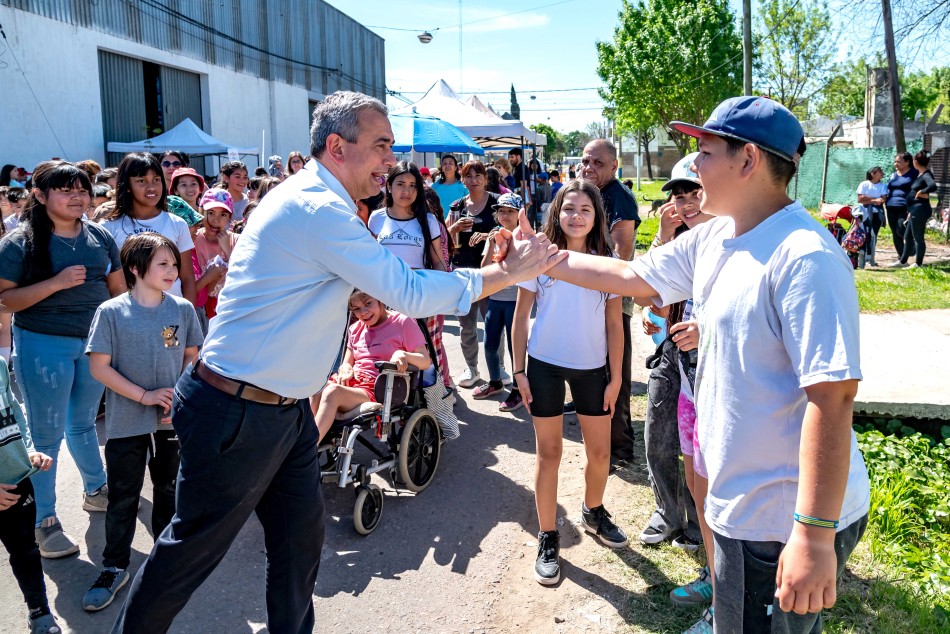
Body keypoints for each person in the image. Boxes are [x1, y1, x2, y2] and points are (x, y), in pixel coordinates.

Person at [110, 90, 562, 633]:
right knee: (188, 556)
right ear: (337, 147)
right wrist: (507, 273)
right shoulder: (318, 209)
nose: (391, 159)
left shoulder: (323, 203)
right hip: (238, 411)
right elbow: (407, 290)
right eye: (381, 145)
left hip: (281, 411)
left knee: (298, 546)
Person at [547, 96, 870, 632]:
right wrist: (542, 260)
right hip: (743, 502)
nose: (694, 166)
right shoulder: (720, 234)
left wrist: (813, 535)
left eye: (705, 152)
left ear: (748, 159)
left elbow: (832, 398)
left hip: (780, 517)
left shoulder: (804, 256)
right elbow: (633, 277)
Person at [0, 161, 126, 560]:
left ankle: (96, 488)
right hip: (42, 346)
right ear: (40, 195)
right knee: (46, 435)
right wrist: (55, 283)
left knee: (84, 423)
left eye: (83, 190)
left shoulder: (100, 236)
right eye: (66, 190)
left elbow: (118, 292)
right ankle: (44, 520)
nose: (78, 197)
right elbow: (4, 300)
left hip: (92, 346)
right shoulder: (19, 243)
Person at [513, 179, 627, 586]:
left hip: (593, 370)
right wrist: (519, 371)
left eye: (585, 209)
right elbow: (521, 317)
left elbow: (615, 325)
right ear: (556, 212)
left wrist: (616, 377)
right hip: (543, 366)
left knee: (600, 453)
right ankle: (548, 535)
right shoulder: (539, 255)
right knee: (549, 454)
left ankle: (593, 510)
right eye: (569, 208)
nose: (576, 216)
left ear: (596, 217)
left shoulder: (607, 261)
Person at [82, 233, 202, 613]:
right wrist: (144, 396)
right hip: (125, 423)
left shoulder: (182, 309)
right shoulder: (111, 312)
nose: (172, 271)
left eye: (174, 264)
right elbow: (99, 367)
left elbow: (192, 356)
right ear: (135, 268)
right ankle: (114, 567)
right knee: (123, 496)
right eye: (162, 264)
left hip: (170, 423)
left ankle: (165, 564)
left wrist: (178, 394)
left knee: (168, 491)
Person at [646, 155, 718, 630]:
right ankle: (714, 574)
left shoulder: (736, 241)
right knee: (698, 484)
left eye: (696, 191)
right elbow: (645, 289)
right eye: (679, 195)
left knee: (720, 492)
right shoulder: (689, 244)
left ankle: (728, 593)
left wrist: (706, 331)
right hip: (690, 384)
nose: (687, 202)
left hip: (722, 392)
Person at [579, 139, 640, 470]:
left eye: (598, 163)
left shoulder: (619, 197)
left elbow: (622, 254)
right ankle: (602, 438)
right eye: (586, 161)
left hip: (611, 301)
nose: (589, 167)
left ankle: (621, 448)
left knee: (615, 373)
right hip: (586, 298)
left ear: (615, 166)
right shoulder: (585, 193)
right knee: (592, 369)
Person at [310, 290, 430, 439]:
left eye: (368, 304)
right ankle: (305, 440)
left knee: (332, 392)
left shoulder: (403, 322)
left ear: (380, 299)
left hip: (379, 388)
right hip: (352, 384)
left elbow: (425, 361)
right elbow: (347, 362)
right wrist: (346, 367)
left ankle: (309, 448)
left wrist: (403, 354)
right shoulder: (355, 329)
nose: (363, 313)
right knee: (316, 387)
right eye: (356, 308)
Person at [0, 357, 61, 634]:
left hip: (17, 482)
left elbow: (13, 409)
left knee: (25, 551)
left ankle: (39, 608)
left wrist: (28, 450)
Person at [100, 153, 197, 304]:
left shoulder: (177, 224)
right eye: (141, 181)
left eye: (156, 180)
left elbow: (187, 278)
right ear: (127, 186)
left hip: (172, 313)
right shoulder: (108, 228)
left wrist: (188, 313)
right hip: (129, 313)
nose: (151, 187)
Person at [447, 160, 502, 389]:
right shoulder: (457, 206)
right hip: (463, 271)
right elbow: (444, 238)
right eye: (468, 176)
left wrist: (489, 235)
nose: (474, 180)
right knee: (467, 326)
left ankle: (498, 369)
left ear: (486, 178)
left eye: (478, 175)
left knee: (493, 324)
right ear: (462, 180)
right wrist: (454, 228)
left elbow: (510, 230)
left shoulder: (497, 203)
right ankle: (472, 368)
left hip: (490, 271)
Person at [476, 193, 524, 412]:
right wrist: (491, 243)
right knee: (490, 344)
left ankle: (518, 389)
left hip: (516, 300)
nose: (505, 215)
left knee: (516, 348)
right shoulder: (494, 236)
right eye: (501, 211)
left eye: (510, 211)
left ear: (519, 214)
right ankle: (495, 382)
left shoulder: (523, 237)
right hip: (495, 299)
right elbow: (484, 268)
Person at [193, 189, 238, 321]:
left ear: (230, 217)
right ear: (201, 212)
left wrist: (228, 251)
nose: (216, 220)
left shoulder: (238, 241)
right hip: (201, 308)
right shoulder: (192, 240)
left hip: (230, 307)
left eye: (223, 215)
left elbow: (244, 276)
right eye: (211, 213)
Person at [892, 150, 937, 269]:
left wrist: (922, 191)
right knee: (908, 237)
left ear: (915, 162)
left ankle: (918, 263)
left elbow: (933, 186)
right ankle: (903, 261)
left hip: (920, 210)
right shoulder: (920, 174)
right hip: (914, 210)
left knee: (918, 237)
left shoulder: (926, 174)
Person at [884, 151, 919, 258]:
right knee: (894, 232)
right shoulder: (893, 175)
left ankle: (912, 248)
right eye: (895, 162)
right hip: (890, 206)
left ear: (907, 162)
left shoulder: (914, 173)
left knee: (901, 228)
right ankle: (901, 256)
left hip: (905, 206)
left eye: (898, 162)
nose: (896, 164)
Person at [855, 166, 887, 267]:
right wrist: (874, 200)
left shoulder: (883, 186)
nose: (882, 173)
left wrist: (867, 199)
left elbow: (882, 200)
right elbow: (860, 199)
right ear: (873, 174)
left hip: (877, 214)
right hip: (864, 212)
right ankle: (862, 257)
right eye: (879, 172)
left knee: (873, 235)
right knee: (864, 234)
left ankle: (870, 258)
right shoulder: (864, 184)